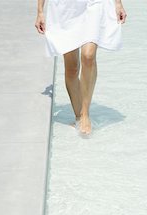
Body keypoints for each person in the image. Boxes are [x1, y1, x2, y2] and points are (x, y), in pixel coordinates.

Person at [35, 0, 127, 136]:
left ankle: (85, 115)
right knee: (72, 68)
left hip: (94, 4)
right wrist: (40, 11)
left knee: (88, 56)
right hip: (66, 8)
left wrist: (118, 3)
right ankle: (79, 116)